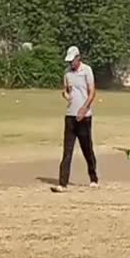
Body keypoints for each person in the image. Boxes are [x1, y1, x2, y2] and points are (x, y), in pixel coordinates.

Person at [52, 46, 98, 193]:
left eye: (72, 60)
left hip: (84, 117)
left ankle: (93, 177)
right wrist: (66, 96)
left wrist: (84, 109)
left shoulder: (87, 71)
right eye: (69, 61)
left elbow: (92, 92)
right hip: (70, 116)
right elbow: (65, 90)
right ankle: (62, 183)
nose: (70, 63)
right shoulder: (67, 73)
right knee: (67, 150)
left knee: (87, 149)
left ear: (78, 58)